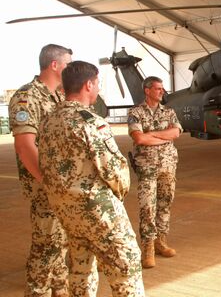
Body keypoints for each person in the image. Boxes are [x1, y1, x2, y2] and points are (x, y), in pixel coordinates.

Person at [38, 61, 145, 296]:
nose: (98, 88)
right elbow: (115, 171)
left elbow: (44, 165)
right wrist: (116, 197)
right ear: (88, 85)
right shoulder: (91, 122)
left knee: (80, 269)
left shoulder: (47, 122)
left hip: (66, 211)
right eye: (97, 83)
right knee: (126, 267)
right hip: (97, 210)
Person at [9, 44, 71, 297]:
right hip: (44, 186)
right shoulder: (26, 97)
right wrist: (48, 183)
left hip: (62, 184)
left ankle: (60, 289)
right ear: (54, 65)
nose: (70, 68)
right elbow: (25, 146)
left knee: (60, 243)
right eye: (68, 63)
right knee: (45, 247)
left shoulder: (59, 96)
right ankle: (37, 292)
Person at [127, 76, 182, 268]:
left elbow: (175, 133)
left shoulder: (169, 111)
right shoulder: (135, 112)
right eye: (158, 88)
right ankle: (148, 248)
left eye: (162, 88)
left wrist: (150, 134)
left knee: (165, 204)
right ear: (147, 90)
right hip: (147, 167)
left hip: (168, 166)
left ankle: (161, 242)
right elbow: (139, 139)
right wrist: (163, 137)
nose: (162, 91)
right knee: (147, 208)